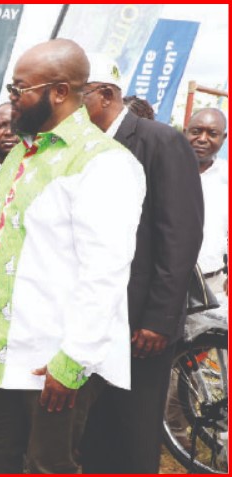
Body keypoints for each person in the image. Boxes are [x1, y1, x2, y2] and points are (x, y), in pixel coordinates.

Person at [0, 40, 146, 474]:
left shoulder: (105, 163)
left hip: (54, 364)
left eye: (20, 89)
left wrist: (72, 363)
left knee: (47, 468)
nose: (12, 99)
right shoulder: (22, 156)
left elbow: (105, 273)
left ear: (61, 91)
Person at [79, 54, 204, 474]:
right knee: (94, 427)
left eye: (76, 94)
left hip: (141, 322)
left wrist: (159, 317)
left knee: (133, 431)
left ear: (106, 94)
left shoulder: (159, 140)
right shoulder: (83, 146)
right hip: (96, 315)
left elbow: (180, 235)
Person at [186, 108, 228, 295]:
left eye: (212, 133)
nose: (202, 139)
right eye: (196, 131)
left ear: (223, 138)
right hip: (161, 284)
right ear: (185, 131)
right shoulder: (161, 169)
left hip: (213, 285)